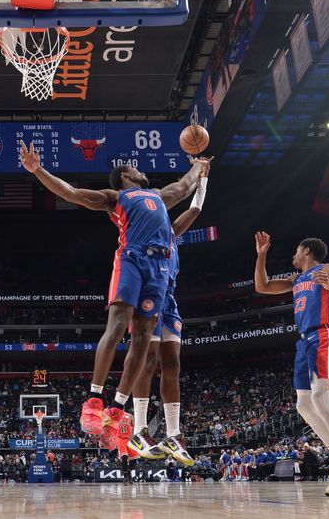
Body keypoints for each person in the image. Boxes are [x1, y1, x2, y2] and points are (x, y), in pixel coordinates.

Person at [19, 141, 209, 442]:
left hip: (160, 267)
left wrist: (199, 167)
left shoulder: (159, 196)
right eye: (134, 167)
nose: (140, 169)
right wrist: (38, 169)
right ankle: (93, 401)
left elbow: (185, 188)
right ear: (124, 175)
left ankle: (118, 407)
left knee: (144, 339)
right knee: (119, 325)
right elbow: (70, 193)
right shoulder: (116, 197)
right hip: (133, 258)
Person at [254, 232, 329, 496]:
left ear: (307, 251)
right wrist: (261, 256)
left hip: (324, 334)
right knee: (304, 404)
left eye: (296, 250)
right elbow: (262, 286)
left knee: (320, 395)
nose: (293, 255)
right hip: (304, 341)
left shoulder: (328, 269)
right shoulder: (296, 279)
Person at [127, 170, 210, 461]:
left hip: (169, 297)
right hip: (148, 291)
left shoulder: (173, 233)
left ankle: (173, 435)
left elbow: (196, 209)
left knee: (172, 364)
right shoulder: (147, 234)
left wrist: (204, 178)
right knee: (148, 360)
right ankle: (139, 429)